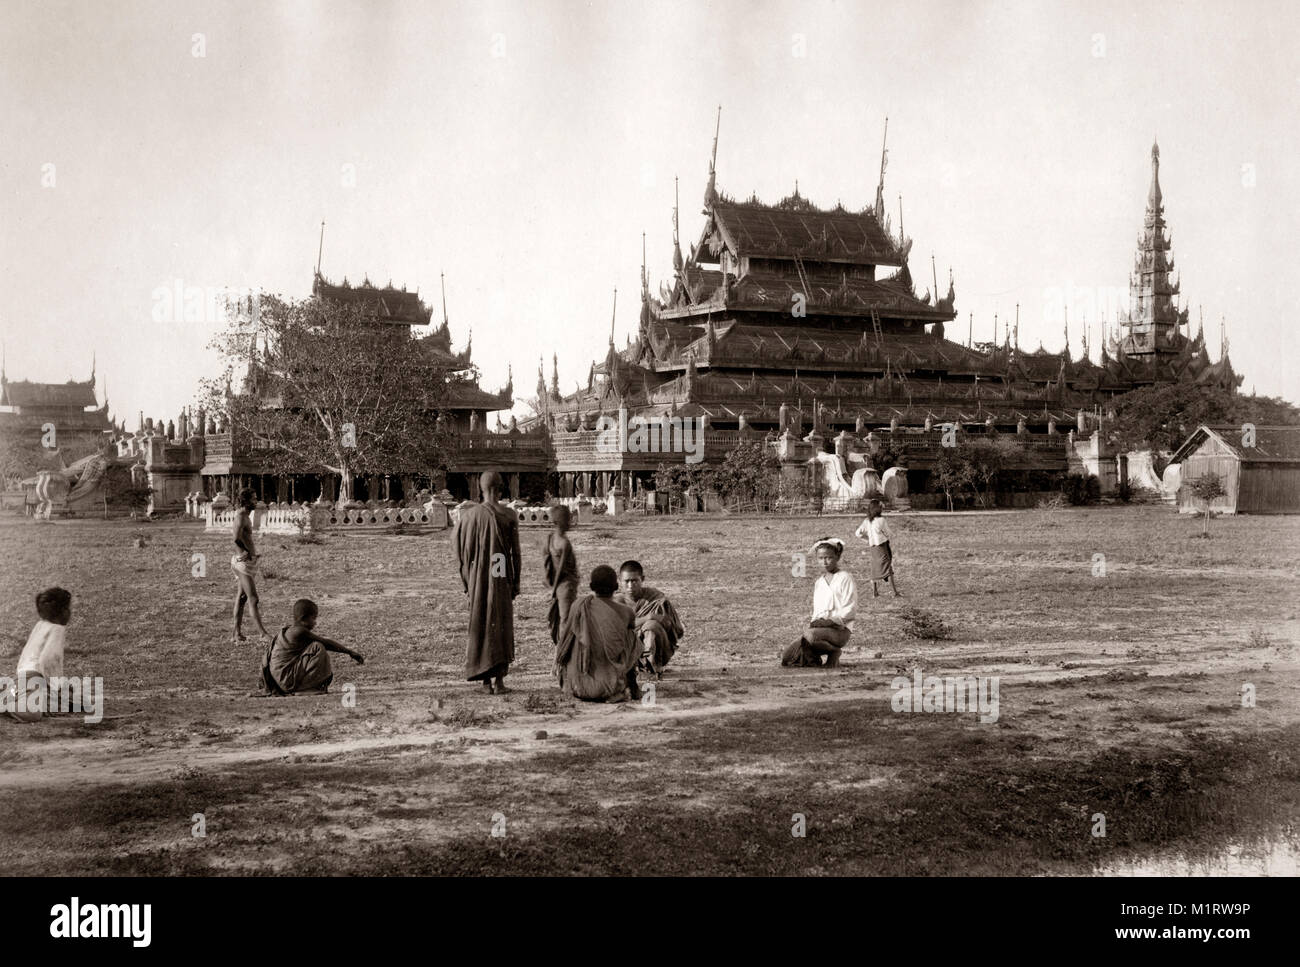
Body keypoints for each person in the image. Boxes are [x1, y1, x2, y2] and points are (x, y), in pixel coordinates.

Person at [453, 471, 522, 694]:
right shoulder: (509, 515)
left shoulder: (468, 516)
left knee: (482, 622)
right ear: (501, 488)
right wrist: (515, 582)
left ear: (480, 489)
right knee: (500, 624)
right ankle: (499, 682)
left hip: (478, 577)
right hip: (500, 574)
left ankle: (485, 683)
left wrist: (467, 582)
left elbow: (461, 554)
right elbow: (515, 554)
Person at [554, 565, 641, 702]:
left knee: (575, 634)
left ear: (591, 586)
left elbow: (564, 643)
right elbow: (629, 637)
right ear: (616, 586)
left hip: (576, 687)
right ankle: (632, 686)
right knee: (634, 639)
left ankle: (571, 679)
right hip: (609, 687)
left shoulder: (578, 606)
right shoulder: (626, 612)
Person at [260, 598, 363, 695]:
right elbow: (326, 643)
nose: (315, 622)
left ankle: (303, 686)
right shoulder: (299, 631)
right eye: (313, 618)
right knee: (318, 647)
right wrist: (349, 652)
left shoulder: (289, 630)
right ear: (304, 618)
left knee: (313, 647)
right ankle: (305, 688)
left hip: (280, 681)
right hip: (286, 680)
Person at [781, 538, 857, 668]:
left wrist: (829, 622)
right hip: (820, 631)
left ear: (837, 557)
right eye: (821, 558)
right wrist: (815, 624)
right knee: (787, 656)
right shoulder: (819, 583)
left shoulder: (845, 578)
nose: (825, 562)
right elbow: (817, 612)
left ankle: (834, 652)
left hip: (840, 631)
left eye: (829, 557)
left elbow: (850, 611)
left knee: (810, 636)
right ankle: (816, 655)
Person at [6, 587, 73, 722]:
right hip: (34, 678)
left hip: (23, 677)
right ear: (63, 611)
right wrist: (56, 686)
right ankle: (6, 701)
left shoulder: (41, 625)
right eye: (69, 608)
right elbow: (48, 660)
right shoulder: (57, 629)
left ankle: (10, 693)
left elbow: (27, 655)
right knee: (32, 713)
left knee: (70, 699)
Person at [615, 560, 685, 678]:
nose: (630, 586)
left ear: (642, 579)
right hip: (626, 653)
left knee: (651, 626)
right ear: (620, 580)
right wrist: (649, 616)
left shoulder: (655, 597)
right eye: (627, 581)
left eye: (634, 581)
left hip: (657, 649)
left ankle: (652, 667)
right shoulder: (616, 602)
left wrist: (659, 620)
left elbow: (673, 628)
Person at [231, 488, 270, 642]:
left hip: (248, 562)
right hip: (243, 564)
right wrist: (245, 552)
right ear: (245, 501)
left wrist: (252, 553)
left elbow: (245, 538)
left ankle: (236, 634)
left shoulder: (247, 516)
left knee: (241, 598)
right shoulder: (241, 517)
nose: (256, 501)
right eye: (253, 499)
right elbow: (235, 538)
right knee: (253, 598)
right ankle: (263, 634)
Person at [543, 505, 579, 650]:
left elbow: (547, 564)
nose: (570, 522)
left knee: (562, 619)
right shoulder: (564, 543)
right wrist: (554, 589)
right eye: (567, 519)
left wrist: (551, 585)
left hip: (559, 586)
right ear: (559, 522)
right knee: (566, 620)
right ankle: (563, 654)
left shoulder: (551, 539)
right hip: (565, 586)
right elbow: (561, 569)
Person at [855, 498, 902, 597]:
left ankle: (875, 592)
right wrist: (891, 536)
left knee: (875, 569)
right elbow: (888, 533)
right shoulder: (881, 520)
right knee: (888, 569)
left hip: (873, 548)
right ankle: (894, 592)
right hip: (882, 547)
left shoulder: (867, 521)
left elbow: (857, 533)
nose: (882, 509)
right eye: (880, 507)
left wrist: (867, 539)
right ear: (877, 509)